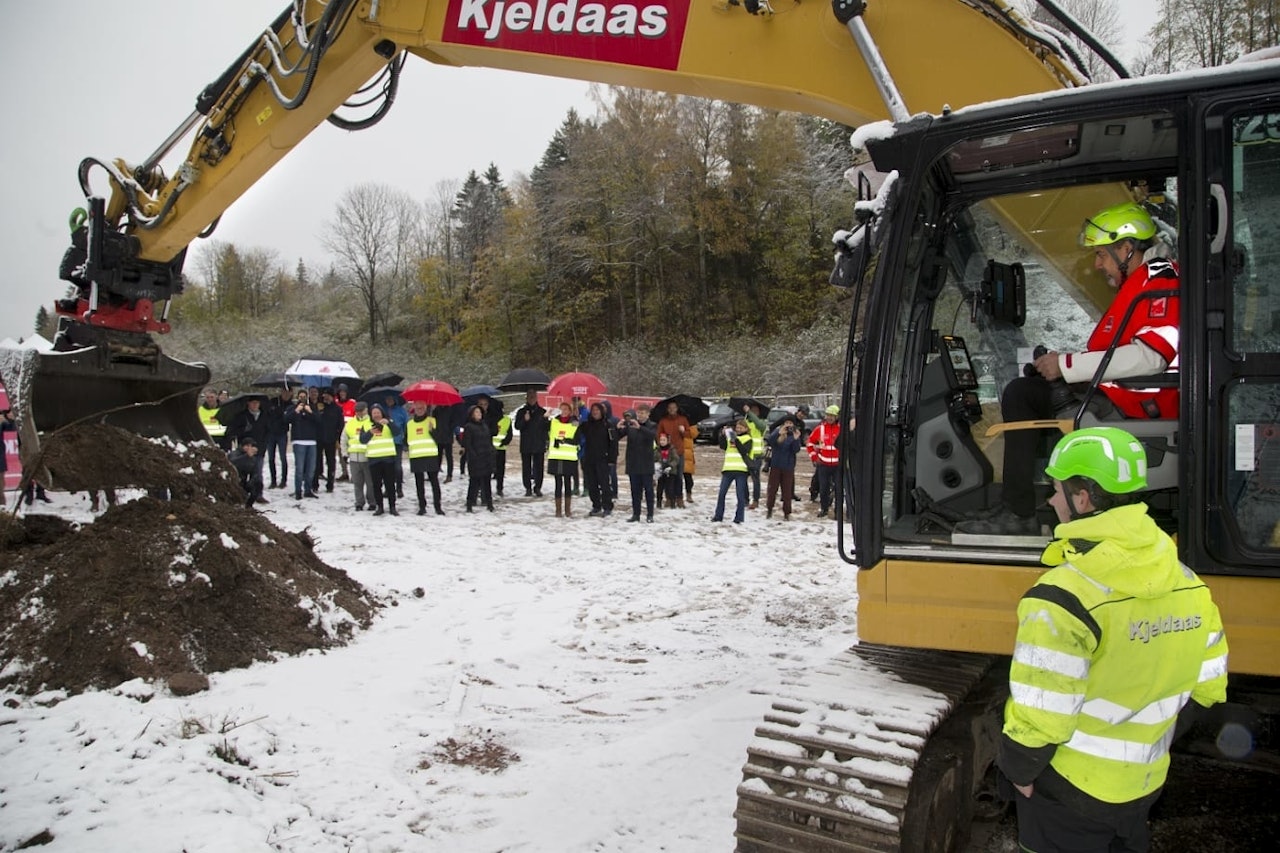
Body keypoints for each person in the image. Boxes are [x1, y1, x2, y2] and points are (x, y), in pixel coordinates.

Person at [998, 427, 1227, 852]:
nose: (1051, 501)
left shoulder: (1062, 596)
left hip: (1069, 794)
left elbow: (1042, 712)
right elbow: (1210, 686)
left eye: (1056, 490)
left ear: (1082, 497)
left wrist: (1017, 771)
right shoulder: (1188, 581)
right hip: (1143, 785)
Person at [959, 201, 1180, 535]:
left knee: (1022, 394)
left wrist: (1066, 365)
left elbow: (1151, 357)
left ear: (1126, 248)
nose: (1098, 264)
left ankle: (1019, 514)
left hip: (1132, 407)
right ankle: (1020, 506)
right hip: (1121, 397)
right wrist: (1062, 365)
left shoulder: (1160, 282)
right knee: (1026, 391)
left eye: (1102, 254)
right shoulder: (1144, 282)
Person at [617, 403, 658, 522]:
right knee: (635, 491)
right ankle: (636, 514)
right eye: (639, 413)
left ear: (648, 414)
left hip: (646, 463)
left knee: (649, 491)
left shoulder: (652, 425)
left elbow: (652, 436)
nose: (640, 415)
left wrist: (640, 428)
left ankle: (650, 515)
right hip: (633, 463)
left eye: (643, 413)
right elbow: (618, 436)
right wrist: (618, 428)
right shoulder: (631, 425)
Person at [405, 400, 446, 516]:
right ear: (414, 408)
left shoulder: (432, 421)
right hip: (416, 456)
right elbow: (406, 439)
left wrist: (432, 430)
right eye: (418, 407)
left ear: (425, 408)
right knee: (419, 484)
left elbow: (439, 438)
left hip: (430, 455)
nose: (420, 409)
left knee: (434, 482)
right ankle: (422, 507)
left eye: (422, 407)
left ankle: (438, 507)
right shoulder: (409, 424)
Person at [361, 403, 401, 516]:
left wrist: (389, 423)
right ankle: (380, 507)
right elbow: (362, 440)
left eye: (378, 412)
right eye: (374, 413)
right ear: (371, 414)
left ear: (382, 413)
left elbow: (397, 432)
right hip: (374, 459)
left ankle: (392, 507)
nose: (376, 415)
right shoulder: (366, 424)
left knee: (390, 485)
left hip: (388, 458)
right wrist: (370, 432)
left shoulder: (389, 422)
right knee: (376, 485)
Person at [711, 416, 752, 524]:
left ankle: (739, 518)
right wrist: (723, 435)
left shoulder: (748, 439)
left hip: (741, 470)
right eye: (737, 427)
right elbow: (723, 446)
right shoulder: (731, 437)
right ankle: (718, 516)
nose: (738, 429)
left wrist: (736, 440)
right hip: (728, 469)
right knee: (721, 494)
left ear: (746, 429)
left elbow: (744, 451)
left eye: (741, 428)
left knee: (740, 495)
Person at [579, 402, 616, 517]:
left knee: (604, 484)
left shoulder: (608, 425)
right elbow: (577, 431)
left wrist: (611, 459)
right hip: (590, 459)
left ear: (601, 411)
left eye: (597, 410)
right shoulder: (587, 425)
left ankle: (607, 506)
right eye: (593, 410)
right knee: (592, 484)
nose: (595, 412)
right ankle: (596, 505)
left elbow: (613, 443)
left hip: (603, 459)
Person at [806, 405, 842, 518]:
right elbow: (810, 443)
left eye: (832, 415)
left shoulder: (841, 429)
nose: (830, 417)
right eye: (828, 415)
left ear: (837, 417)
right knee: (823, 488)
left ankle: (838, 512)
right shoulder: (820, 429)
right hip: (823, 465)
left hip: (838, 465)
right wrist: (814, 457)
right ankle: (824, 509)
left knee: (839, 489)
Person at [459, 403, 496, 512]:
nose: (479, 414)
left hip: (486, 457)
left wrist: (491, 451)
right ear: (471, 415)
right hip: (475, 459)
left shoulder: (484, 425)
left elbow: (488, 440)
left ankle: (489, 503)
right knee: (474, 483)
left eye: (480, 412)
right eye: (476, 412)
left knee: (487, 482)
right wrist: (473, 456)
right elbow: (468, 444)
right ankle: (469, 504)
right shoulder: (469, 427)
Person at [764, 417, 803, 520]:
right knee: (772, 489)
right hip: (775, 465)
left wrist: (796, 439)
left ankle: (786, 513)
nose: (788, 425)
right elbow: (770, 441)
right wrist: (779, 433)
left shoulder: (793, 435)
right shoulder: (778, 432)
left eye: (790, 423)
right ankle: (769, 509)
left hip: (788, 467)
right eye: (786, 423)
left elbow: (796, 449)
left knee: (787, 492)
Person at [285, 389, 320, 500]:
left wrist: (311, 412)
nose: (302, 398)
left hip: (312, 441)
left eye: (304, 396)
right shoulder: (292, 408)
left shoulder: (312, 408)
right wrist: (296, 411)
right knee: (299, 468)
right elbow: (286, 419)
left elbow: (319, 421)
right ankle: (298, 491)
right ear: (297, 397)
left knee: (311, 468)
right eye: (300, 396)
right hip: (298, 440)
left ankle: (308, 490)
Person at [512, 390, 548, 497]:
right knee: (526, 467)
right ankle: (527, 487)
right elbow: (517, 426)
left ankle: (537, 487)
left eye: (533, 396)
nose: (532, 398)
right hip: (526, 444)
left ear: (537, 398)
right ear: (526, 398)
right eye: (530, 396)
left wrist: (546, 420)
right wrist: (524, 420)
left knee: (539, 467)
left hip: (539, 443)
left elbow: (546, 428)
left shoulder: (542, 412)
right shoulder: (521, 412)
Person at [547, 401, 580, 518]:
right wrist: (546, 416)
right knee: (557, 483)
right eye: (561, 409)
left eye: (566, 409)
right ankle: (558, 510)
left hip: (569, 457)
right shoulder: (554, 421)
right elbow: (545, 430)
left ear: (570, 411)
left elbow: (577, 439)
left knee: (567, 483)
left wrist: (564, 440)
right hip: (556, 457)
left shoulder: (574, 423)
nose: (563, 412)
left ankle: (567, 509)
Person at [655, 401, 690, 508]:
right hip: (666, 452)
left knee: (678, 476)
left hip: (679, 452)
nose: (672, 409)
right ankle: (669, 498)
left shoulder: (682, 419)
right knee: (666, 476)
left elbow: (689, 434)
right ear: (667, 409)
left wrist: (683, 431)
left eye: (674, 407)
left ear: (677, 408)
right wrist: (662, 442)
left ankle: (679, 498)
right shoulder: (663, 421)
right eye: (670, 408)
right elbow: (658, 435)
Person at [341, 400, 373, 511]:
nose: (359, 413)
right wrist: (344, 454)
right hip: (354, 457)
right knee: (357, 483)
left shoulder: (371, 422)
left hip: (368, 457)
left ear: (366, 410)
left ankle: (372, 502)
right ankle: (359, 502)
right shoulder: (350, 423)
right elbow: (344, 439)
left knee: (370, 483)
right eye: (357, 411)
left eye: (361, 411)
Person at [313, 388, 344, 493]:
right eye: (324, 395)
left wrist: (337, 438)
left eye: (328, 396)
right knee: (316, 461)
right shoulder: (319, 406)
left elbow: (341, 424)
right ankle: (315, 484)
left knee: (331, 462)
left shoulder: (337, 409)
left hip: (331, 439)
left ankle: (330, 484)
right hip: (318, 438)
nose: (326, 397)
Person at [741, 402, 768, 509]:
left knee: (755, 479)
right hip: (746, 455)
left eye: (755, 411)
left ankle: (755, 500)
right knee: (743, 478)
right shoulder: (745, 422)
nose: (753, 413)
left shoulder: (761, 423)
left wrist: (749, 412)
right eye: (752, 410)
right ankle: (745, 499)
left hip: (756, 456)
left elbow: (760, 425)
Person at [263, 386, 292, 489]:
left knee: (283, 457)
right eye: (284, 392)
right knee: (271, 458)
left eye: (288, 393)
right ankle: (273, 480)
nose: (286, 394)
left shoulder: (291, 404)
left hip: (282, 433)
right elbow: (267, 414)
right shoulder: (274, 401)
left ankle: (283, 480)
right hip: (271, 433)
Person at [228, 436, 264, 509]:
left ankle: (249, 505)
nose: (249, 448)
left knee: (258, 484)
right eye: (247, 446)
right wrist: (246, 456)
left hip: (243, 482)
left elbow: (255, 472)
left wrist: (252, 481)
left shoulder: (252, 458)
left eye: (251, 446)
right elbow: (233, 463)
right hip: (232, 482)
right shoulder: (234, 454)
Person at [386, 393, 410, 499]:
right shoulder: (384, 410)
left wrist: (405, 440)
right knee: (387, 467)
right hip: (385, 442)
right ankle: (388, 489)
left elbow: (407, 425)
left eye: (391, 399)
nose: (389, 401)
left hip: (397, 442)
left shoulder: (401, 411)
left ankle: (399, 489)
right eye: (387, 399)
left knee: (397, 467)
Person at [490, 406, 513, 497]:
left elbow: (509, 434)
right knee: (488, 469)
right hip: (490, 448)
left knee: (500, 470)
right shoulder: (491, 418)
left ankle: (500, 488)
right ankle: (484, 489)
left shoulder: (507, 419)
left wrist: (504, 442)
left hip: (501, 448)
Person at [335, 383, 356, 482]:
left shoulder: (352, 403)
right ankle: (345, 473)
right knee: (341, 453)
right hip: (339, 432)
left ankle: (354, 474)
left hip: (351, 432)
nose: (342, 394)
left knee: (351, 454)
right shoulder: (336, 402)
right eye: (341, 392)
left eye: (344, 392)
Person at [655, 433, 681, 509]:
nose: (662, 442)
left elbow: (676, 459)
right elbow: (654, 459)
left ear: (668, 441)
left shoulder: (672, 449)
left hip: (670, 472)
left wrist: (670, 466)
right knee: (659, 488)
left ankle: (672, 503)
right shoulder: (657, 450)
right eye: (661, 440)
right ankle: (659, 503)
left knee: (670, 488)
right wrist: (657, 465)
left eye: (664, 440)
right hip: (660, 471)